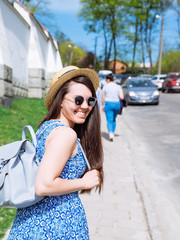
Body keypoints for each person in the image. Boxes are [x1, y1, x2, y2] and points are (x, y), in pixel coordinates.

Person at [8, 66, 104, 239]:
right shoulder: (65, 134)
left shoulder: (47, 127)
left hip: (31, 221)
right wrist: (83, 182)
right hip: (55, 226)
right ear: (60, 100)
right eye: (78, 100)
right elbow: (44, 185)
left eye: (90, 101)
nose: (85, 106)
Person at [101, 73, 124, 141]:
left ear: (108, 79)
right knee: (114, 119)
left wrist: (102, 105)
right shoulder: (118, 86)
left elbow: (103, 97)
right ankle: (113, 132)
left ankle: (110, 134)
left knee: (109, 120)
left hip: (108, 104)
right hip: (117, 104)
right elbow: (122, 97)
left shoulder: (105, 86)